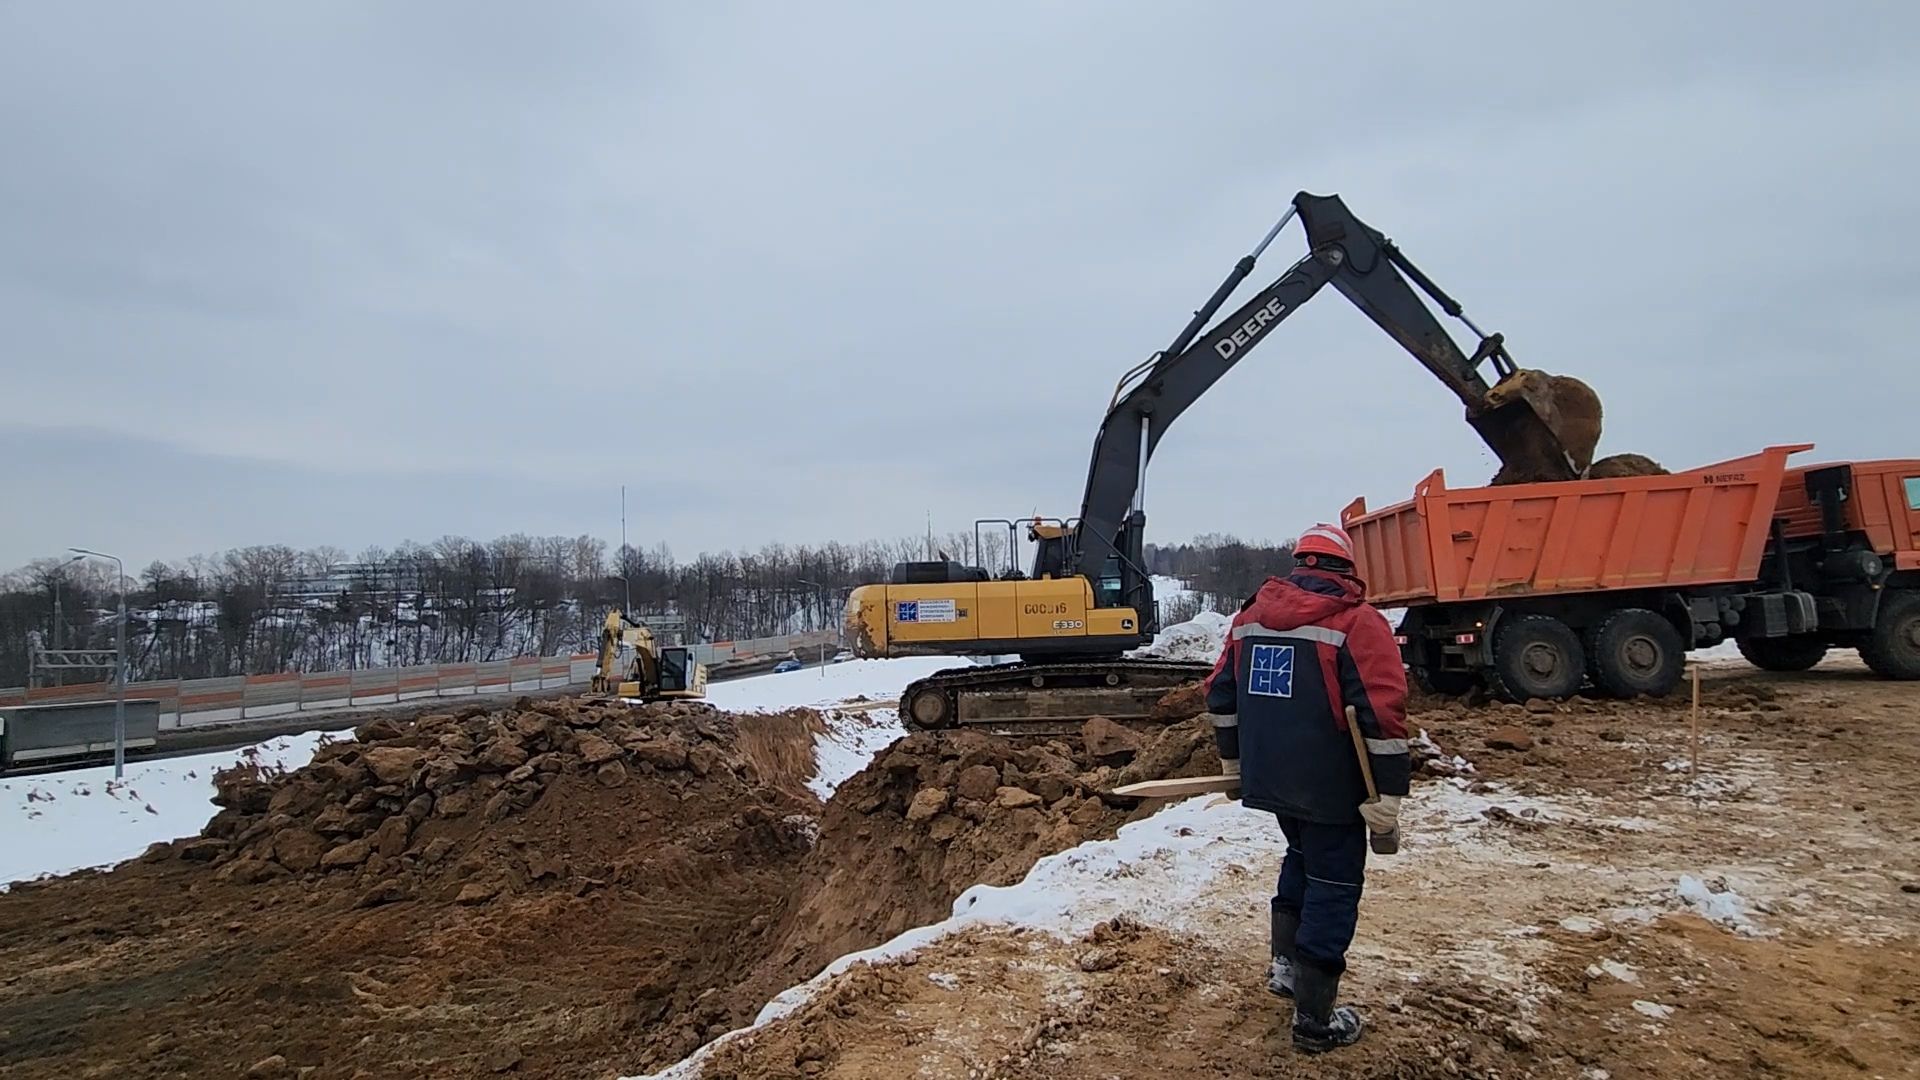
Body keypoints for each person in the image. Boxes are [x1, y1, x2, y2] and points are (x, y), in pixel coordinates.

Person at [1204, 522, 1410, 1053]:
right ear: (1346, 569)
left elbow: (1221, 694)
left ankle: (1287, 969)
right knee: (1334, 884)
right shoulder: (1356, 622)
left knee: (1300, 856)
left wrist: (1234, 762)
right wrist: (1389, 794)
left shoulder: (1249, 619)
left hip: (1271, 780)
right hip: (1331, 786)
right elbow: (1381, 712)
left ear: (1299, 564)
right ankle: (1315, 1021)